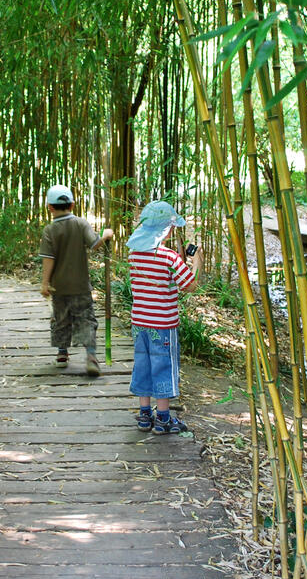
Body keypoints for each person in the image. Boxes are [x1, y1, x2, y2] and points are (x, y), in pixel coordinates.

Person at [126, 200, 202, 434]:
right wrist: (197, 260)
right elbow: (190, 286)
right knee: (163, 367)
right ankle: (164, 419)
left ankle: (145, 416)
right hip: (163, 326)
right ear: (167, 230)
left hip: (140, 323)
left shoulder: (133, 254)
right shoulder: (170, 258)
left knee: (143, 365)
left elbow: (152, 280)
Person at [38, 184, 114, 377]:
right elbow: (95, 244)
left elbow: (48, 259)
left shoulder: (49, 230)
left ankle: (62, 355)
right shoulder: (80, 224)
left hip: (59, 287)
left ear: (50, 207)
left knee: (61, 319)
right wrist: (105, 235)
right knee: (86, 319)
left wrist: (45, 283)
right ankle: (91, 356)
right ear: (72, 205)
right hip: (80, 286)